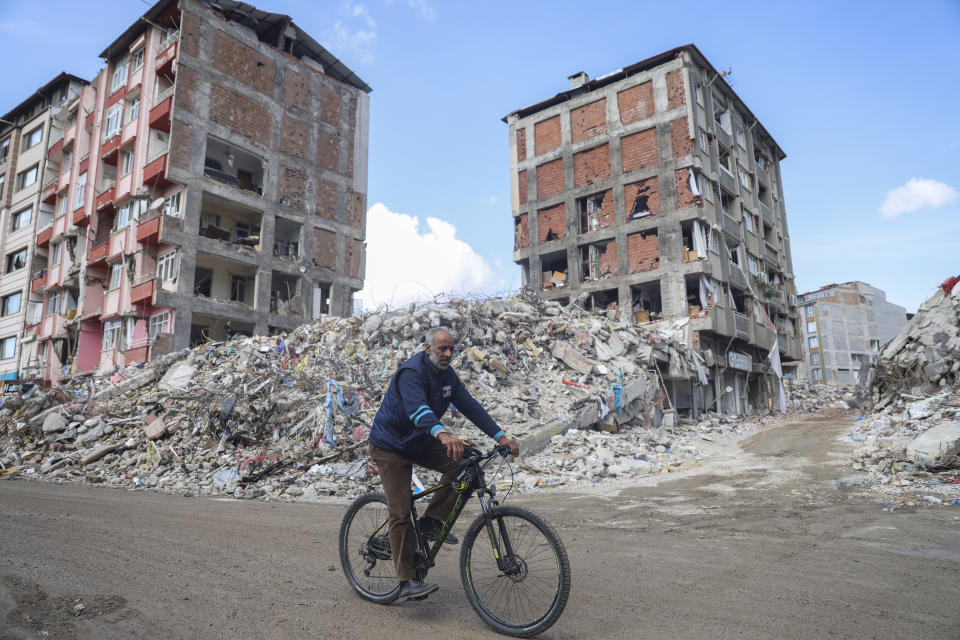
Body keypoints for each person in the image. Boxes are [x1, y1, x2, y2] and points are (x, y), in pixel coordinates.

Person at [369, 326, 520, 603]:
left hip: (420, 440)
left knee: (465, 463)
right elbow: (417, 409)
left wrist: (501, 436)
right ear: (428, 349)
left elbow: (470, 406)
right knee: (401, 512)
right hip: (391, 445)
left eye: (452, 348)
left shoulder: (447, 376)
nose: (449, 353)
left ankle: (430, 521)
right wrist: (443, 434)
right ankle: (405, 581)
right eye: (443, 348)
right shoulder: (411, 372)